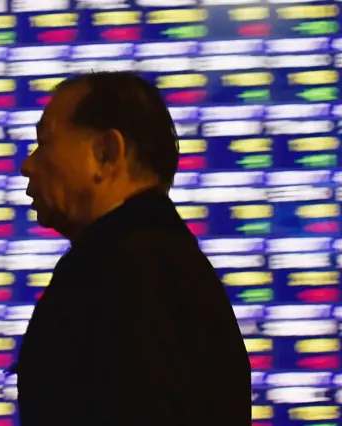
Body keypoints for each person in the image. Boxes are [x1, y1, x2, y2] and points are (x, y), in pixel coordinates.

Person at [13, 71, 251, 426]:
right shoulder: (155, 260)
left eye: (45, 143)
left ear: (107, 154)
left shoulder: (128, 276)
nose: (27, 165)